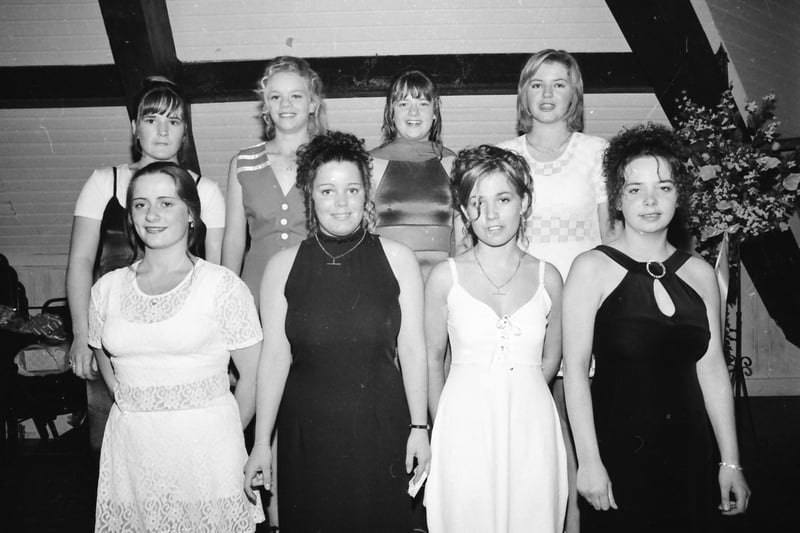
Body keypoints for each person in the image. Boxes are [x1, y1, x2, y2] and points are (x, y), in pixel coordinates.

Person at [562, 123, 750, 532]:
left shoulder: (701, 273)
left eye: (664, 187)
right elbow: (575, 372)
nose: (650, 200)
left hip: (690, 455)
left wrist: (730, 461)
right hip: (616, 456)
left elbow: (713, 368)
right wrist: (589, 462)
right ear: (617, 199)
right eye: (635, 189)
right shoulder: (591, 268)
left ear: (679, 195)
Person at [243, 131, 430, 532]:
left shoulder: (399, 260)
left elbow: (413, 349)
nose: (341, 203)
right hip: (306, 437)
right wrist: (261, 443)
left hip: (381, 432)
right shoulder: (281, 266)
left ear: (367, 194)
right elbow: (274, 359)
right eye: (328, 191)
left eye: (352, 189)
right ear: (310, 195)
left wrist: (419, 428)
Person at [87, 162, 264, 531]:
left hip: (207, 458)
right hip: (133, 456)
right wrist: (133, 403)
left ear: (191, 215)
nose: (151, 214)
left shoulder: (221, 286)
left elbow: (254, 376)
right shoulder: (107, 288)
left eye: (166, 203)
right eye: (140, 204)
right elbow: (104, 353)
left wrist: (226, 435)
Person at [66, 77, 226, 452]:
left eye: (173, 121)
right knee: (115, 455)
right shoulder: (104, 183)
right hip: (112, 343)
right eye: (152, 119)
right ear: (134, 128)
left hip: (180, 346)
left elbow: (216, 277)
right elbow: (80, 261)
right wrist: (80, 334)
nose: (162, 130)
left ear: (185, 131)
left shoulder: (207, 192)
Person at [497, 49, 616, 532]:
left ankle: (576, 520)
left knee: (577, 420)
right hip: (527, 303)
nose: (547, 94)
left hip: (584, 305)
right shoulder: (505, 154)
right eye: (537, 84)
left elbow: (610, 238)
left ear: (575, 94)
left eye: (559, 84)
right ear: (524, 93)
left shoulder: (598, 152)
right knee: (533, 426)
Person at [425, 145, 567, 532]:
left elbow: (551, 360)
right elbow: (432, 360)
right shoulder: (444, 277)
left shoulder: (548, 277)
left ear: (524, 202)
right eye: (477, 202)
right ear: (464, 211)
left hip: (531, 425)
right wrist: (445, 427)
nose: (490, 215)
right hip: (463, 424)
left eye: (503, 199)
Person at [222, 55, 327, 308]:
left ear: (313, 104)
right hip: (256, 293)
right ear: (265, 106)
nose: (285, 104)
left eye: (296, 96)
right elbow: (234, 240)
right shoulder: (243, 162)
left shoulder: (330, 160)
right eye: (276, 97)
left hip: (318, 288)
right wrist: (225, 297)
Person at [370, 68, 459, 280]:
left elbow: (463, 240)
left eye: (422, 104)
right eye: (403, 104)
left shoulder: (453, 163)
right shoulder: (369, 163)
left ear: (435, 113)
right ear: (391, 113)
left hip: (440, 286)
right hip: (386, 283)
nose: (413, 113)